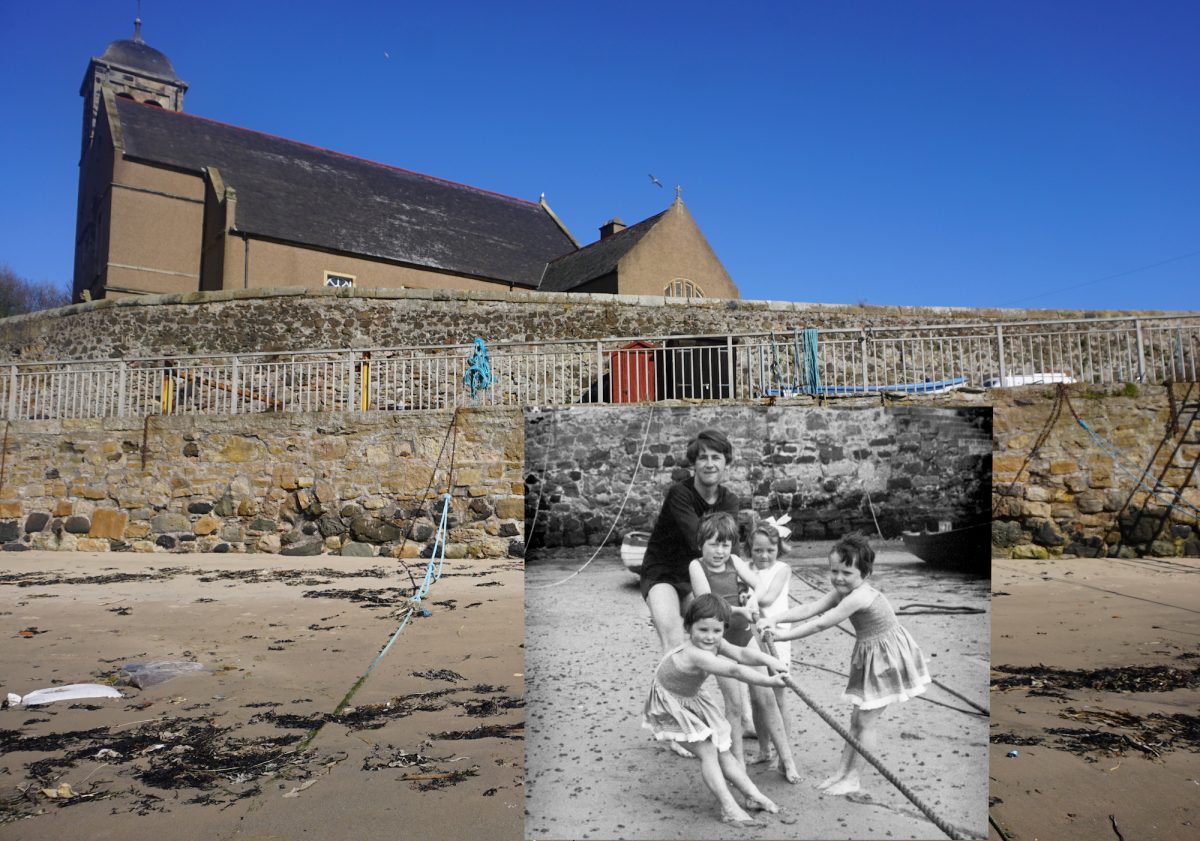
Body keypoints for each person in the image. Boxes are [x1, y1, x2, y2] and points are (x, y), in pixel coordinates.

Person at [757, 533, 932, 796]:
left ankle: (854, 778)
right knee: (856, 719)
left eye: (847, 572)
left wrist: (782, 635)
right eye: (834, 571)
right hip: (870, 654)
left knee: (866, 721)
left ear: (865, 572)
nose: (838, 578)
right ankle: (842, 772)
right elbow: (811, 608)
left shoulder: (859, 596)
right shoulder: (844, 590)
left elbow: (821, 623)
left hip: (887, 658)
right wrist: (775, 619)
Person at [642, 593, 788, 826]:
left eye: (716, 631)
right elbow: (735, 670)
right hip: (669, 703)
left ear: (723, 629)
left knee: (722, 749)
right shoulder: (695, 654)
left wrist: (769, 661)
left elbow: (741, 654)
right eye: (703, 630)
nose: (710, 637)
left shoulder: (715, 642)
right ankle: (729, 807)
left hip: (690, 697)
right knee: (709, 751)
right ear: (688, 628)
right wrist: (770, 681)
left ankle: (753, 795)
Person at [640, 429, 739, 653]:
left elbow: (732, 548)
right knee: (674, 639)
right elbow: (698, 540)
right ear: (694, 462)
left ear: (726, 462)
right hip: (662, 573)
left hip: (694, 575)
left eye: (716, 457)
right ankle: (668, 687)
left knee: (718, 637)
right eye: (703, 457)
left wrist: (744, 585)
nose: (709, 464)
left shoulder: (729, 501)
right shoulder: (679, 494)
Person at [730, 520, 799, 781]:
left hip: (774, 636)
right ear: (750, 548)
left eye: (770, 549)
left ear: (778, 548)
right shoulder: (744, 568)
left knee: (778, 695)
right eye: (758, 550)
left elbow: (769, 597)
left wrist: (751, 599)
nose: (764, 555)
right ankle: (763, 748)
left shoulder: (783, 569)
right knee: (757, 694)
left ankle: (785, 753)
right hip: (750, 636)